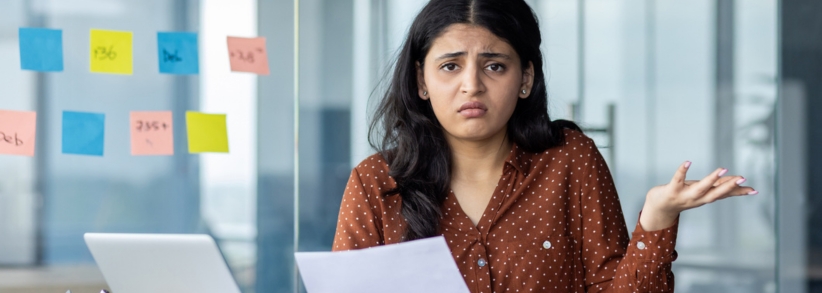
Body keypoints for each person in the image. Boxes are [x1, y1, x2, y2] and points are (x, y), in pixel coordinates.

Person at [332, 0, 757, 292]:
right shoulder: (376, 183)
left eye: (494, 65)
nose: (472, 85)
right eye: (450, 66)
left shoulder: (570, 160)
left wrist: (657, 219)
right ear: (422, 81)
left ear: (526, 79)